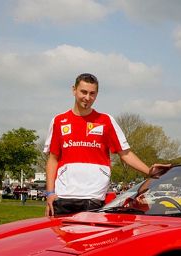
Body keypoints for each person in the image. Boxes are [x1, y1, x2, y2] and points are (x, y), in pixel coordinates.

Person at [44, 73, 170, 216]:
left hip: (94, 198)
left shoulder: (106, 120)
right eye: (83, 92)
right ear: (74, 90)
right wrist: (50, 193)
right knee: (59, 238)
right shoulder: (58, 121)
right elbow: (53, 159)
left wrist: (149, 172)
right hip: (63, 198)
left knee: (91, 239)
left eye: (92, 93)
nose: (87, 97)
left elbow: (126, 153)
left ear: (96, 94)